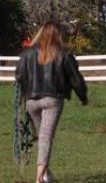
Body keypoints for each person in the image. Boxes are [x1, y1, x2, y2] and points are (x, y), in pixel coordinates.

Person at [15, 22, 88, 183]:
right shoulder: (63, 53)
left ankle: (47, 175)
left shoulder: (27, 53)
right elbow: (75, 78)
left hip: (31, 101)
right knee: (46, 137)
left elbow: (19, 76)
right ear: (58, 35)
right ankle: (39, 178)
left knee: (42, 137)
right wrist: (83, 96)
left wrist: (26, 92)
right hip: (52, 100)